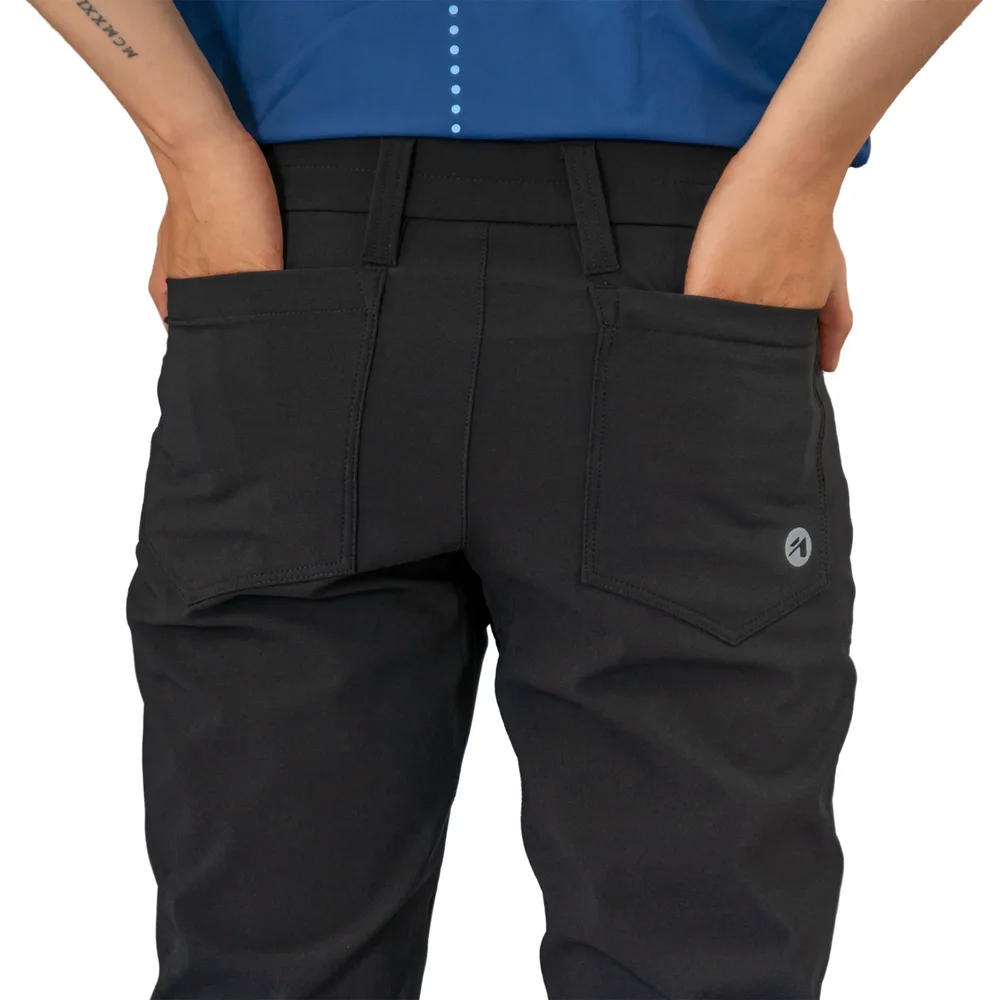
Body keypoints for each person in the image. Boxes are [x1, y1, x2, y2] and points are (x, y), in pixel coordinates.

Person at [27, 1, 983, 998]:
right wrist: (797, 166)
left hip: (306, 255)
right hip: (671, 260)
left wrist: (191, 143)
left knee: (266, 965)